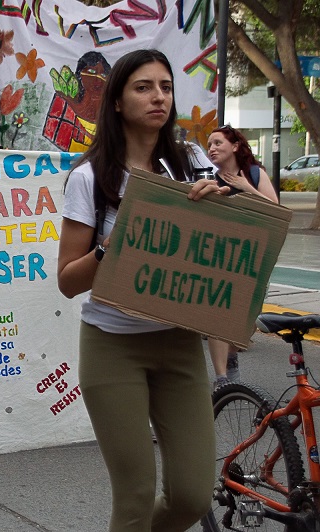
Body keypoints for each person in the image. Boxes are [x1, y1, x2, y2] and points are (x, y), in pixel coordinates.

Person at [57, 49, 226, 531]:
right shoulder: (90, 178)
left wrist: (222, 205)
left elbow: (224, 247)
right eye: (144, 87)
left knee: (192, 497)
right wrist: (113, 246)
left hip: (179, 343)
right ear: (116, 101)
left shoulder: (192, 162)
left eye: (166, 87)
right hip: (113, 347)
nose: (159, 97)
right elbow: (68, 281)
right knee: (133, 497)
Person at [206, 125, 278, 389]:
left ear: (235, 146)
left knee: (242, 323)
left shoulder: (254, 174)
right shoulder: (209, 178)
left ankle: (232, 356)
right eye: (209, 145)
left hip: (251, 258)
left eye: (217, 143)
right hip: (218, 256)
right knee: (216, 314)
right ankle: (221, 378)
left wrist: (246, 187)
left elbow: (276, 211)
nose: (211, 148)